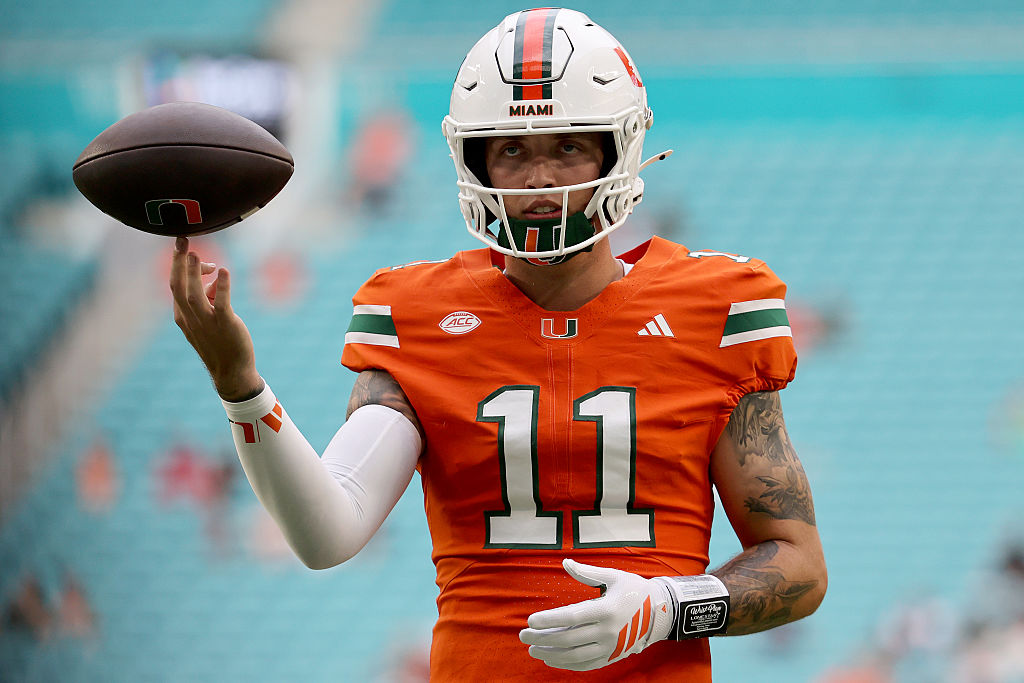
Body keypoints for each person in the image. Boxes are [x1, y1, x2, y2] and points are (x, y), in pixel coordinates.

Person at [169, 8, 826, 681]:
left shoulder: (712, 306)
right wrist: (239, 384)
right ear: (474, 161)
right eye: (512, 149)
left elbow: (798, 563)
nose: (541, 176)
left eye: (568, 146)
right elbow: (327, 529)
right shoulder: (419, 315)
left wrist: (667, 606)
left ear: (616, 149)